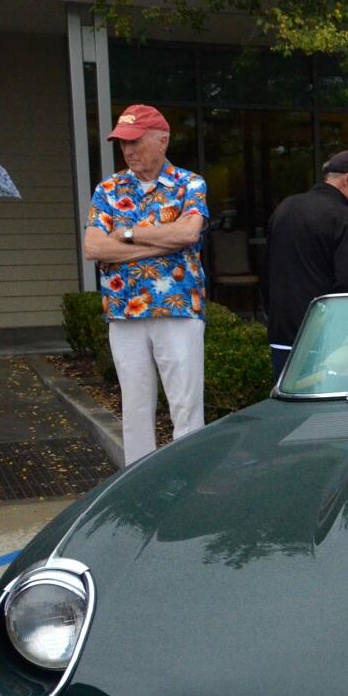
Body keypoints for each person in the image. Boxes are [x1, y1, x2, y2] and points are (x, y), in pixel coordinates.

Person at [83, 105, 209, 465]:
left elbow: (188, 232)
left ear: (162, 140)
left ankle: (188, 476)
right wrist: (160, 244)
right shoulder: (108, 188)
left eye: (135, 141)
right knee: (135, 406)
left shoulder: (190, 183)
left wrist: (125, 234)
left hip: (178, 307)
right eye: (123, 143)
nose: (128, 150)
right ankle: (136, 484)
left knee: (185, 404)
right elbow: (93, 246)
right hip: (124, 312)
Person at [262, 150, 348, 379]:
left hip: (282, 335)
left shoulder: (285, 207)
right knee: (328, 413)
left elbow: (267, 270)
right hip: (325, 340)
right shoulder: (346, 218)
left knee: (285, 407)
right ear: (347, 179)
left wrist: (272, 318)